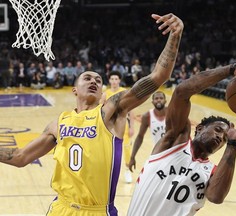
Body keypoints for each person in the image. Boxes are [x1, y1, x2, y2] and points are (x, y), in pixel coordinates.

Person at [0, 13, 184, 216]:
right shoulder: (58, 124)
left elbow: (159, 76)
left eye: (98, 80)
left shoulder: (111, 111)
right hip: (60, 209)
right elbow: (20, 157)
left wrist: (175, 35)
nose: (94, 81)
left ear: (102, 91)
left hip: (96, 211)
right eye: (87, 78)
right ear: (74, 89)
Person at [127, 63, 236, 216]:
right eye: (218, 130)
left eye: (225, 138)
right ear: (200, 128)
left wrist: (233, 144)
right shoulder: (175, 140)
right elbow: (181, 92)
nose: (220, 137)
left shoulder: (211, 172)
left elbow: (216, 197)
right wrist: (230, 69)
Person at [101, 70, 135, 183]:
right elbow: (100, 111)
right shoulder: (105, 94)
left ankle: (127, 170)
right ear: (109, 80)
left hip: (123, 123)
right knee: (108, 148)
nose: (114, 81)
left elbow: (131, 110)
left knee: (126, 148)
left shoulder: (125, 92)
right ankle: (108, 172)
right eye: (112, 79)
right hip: (109, 125)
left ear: (119, 80)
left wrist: (132, 127)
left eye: (116, 79)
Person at [129, 91, 167, 172]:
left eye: (161, 98)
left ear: (165, 101)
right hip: (158, 152)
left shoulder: (171, 112)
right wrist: (132, 157)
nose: (159, 100)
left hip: (173, 150)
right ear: (152, 102)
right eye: (156, 98)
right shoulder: (147, 116)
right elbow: (140, 136)